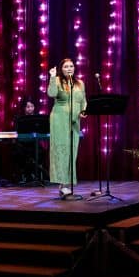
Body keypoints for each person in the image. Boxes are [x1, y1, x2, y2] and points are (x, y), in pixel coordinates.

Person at [47, 58, 87, 197]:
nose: (69, 68)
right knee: (62, 149)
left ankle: (67, 183)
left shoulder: (79, 83)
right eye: (66, 66)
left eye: (71, 66)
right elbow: (51, 94)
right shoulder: (57, 80)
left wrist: (83, 111)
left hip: (75, 120)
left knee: (72, 150)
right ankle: (62, 184)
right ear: (61, 69)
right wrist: (52, 77)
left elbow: (84, 100)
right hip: (59, 119)